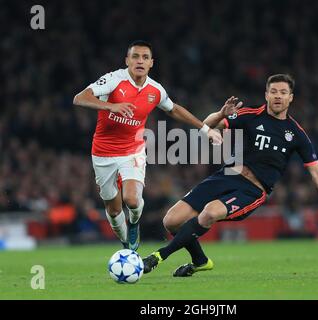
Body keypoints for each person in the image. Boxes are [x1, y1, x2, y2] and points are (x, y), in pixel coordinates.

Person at [143, 74, 318, 276]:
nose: (277, 96)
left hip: (253, 190)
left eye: (283, 92)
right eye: (273, 91)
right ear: (266, 94)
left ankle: (159, 256)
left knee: (209, 212)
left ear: (290, 98)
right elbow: (207, 126)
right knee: (171, 221)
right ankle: (200, 261)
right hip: (227, 175)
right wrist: (220, 114)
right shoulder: (250, 116)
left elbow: (317, 172)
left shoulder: (296, 134)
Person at [73, 40, 222, 250]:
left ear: (151, 63)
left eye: (145, 57)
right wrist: (111, 106)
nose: (140, 61)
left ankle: (134, 223)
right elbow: (80, 98)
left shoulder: (155, 89)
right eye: (135, 57)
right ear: (127, 61)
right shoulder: (114, 80)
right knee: (114, 211)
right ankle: (125, 242)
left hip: (132, 150)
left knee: (132, 200)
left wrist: (205, 129)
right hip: (103, 153)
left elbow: (173, 109)